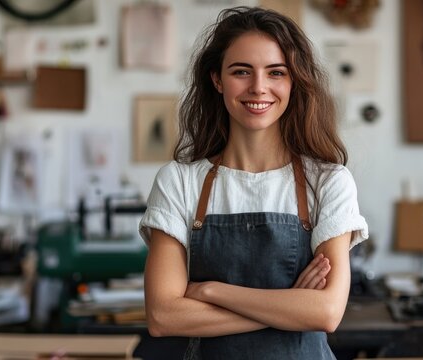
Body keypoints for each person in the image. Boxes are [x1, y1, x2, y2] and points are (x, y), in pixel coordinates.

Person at [139, 6, 369, 359]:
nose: (259, 87)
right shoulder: (179, 182)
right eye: (241, 71)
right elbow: (163, 316)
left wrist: (213, 291)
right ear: (217, 79)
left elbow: (325, 313)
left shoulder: (328, 181)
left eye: (276, 72)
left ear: (294, 81)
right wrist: (290, 306)